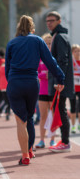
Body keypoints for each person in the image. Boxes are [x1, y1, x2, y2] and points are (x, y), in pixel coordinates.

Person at [5, 15, 65, 165]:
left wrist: (12, 82)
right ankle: (30, 150)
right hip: (32, 82)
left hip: (15, 82)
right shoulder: (38, 40)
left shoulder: (12, 43)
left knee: (20, 121)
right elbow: (50, 61)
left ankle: (25, 155)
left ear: (19, 27)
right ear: (32, 28)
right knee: (30, 117)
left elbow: (7, 69)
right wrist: (60, 78)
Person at [46, 11, 74, 152]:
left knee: (61, 110)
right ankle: (63, 140)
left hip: (60, 83)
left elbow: (63, 60)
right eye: (47, 21)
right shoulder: (57, 36)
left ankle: (65, 142)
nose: (49, 23)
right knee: (60, 110)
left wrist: (59, 80)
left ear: (59, 21)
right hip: (59, 81)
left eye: (52, 20)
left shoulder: (60, 37)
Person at [35, 33, 56, 148]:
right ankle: (42, 140)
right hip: (42, 90)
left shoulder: (55, 57)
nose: (48, 45)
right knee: (43, 116)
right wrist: (44, 75)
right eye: (46, 43)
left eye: (50, 43)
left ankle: (52, 139)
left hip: (53, 90)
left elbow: (59, 72)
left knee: (53, 115)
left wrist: (51, 75)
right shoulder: (39, 57)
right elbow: (36, 73)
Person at [70, 44, 80, 133]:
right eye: (75, 51)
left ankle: (79, 125)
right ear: (72, 52)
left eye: (79, 51)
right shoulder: (71, 62)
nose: (77, 53)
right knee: (73, 107)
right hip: (73, 88)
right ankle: (73, 126)